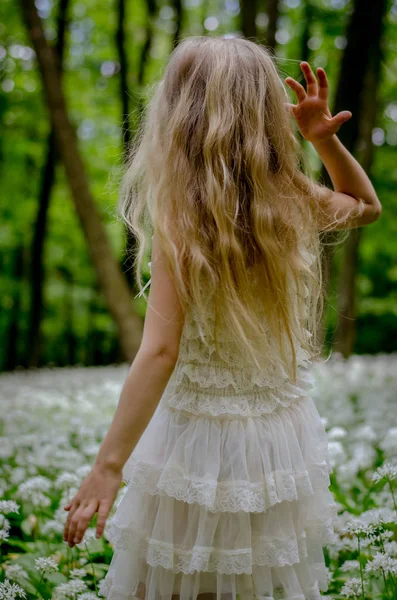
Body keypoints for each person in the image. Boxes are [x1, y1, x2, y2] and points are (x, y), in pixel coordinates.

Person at [63, 36, 382, 600]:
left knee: (173, 583)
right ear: (265, 116)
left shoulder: (181, 224)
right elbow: (365, 207)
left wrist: (108, 467)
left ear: (179, 119)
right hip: (276, 440)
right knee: (256, 583)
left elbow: (159, 351)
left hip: (198, 443)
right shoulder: (288, 200)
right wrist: (324, 143)